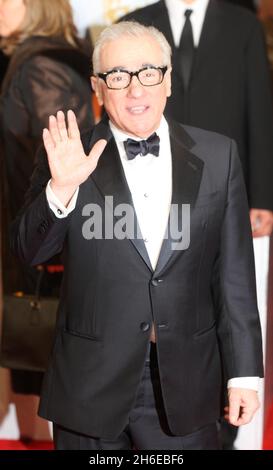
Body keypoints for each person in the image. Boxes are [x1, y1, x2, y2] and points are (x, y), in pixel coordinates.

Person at [11, 21, 263, 450]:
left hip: (186, 385)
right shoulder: (69, 155)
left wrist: (244, 373)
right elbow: (30, 252)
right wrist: (62, 189)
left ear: (167, 81)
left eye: (149, 73)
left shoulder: (220, 156)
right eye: (118, 76)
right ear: (97, 87)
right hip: (88, 389)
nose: (136, 90)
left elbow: (235, 278)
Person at [0, 0, 93, 443]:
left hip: (38, 245)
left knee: (35, 369)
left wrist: (42, 241)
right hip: (30, 238)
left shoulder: (42, 67)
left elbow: (58, 166)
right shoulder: (37, 59)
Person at [121, 0, 273, 240]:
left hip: (227, 181)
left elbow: (260, 113)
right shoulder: (133, 25)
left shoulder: (244, 25)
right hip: (152, 180)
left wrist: (263, 197)